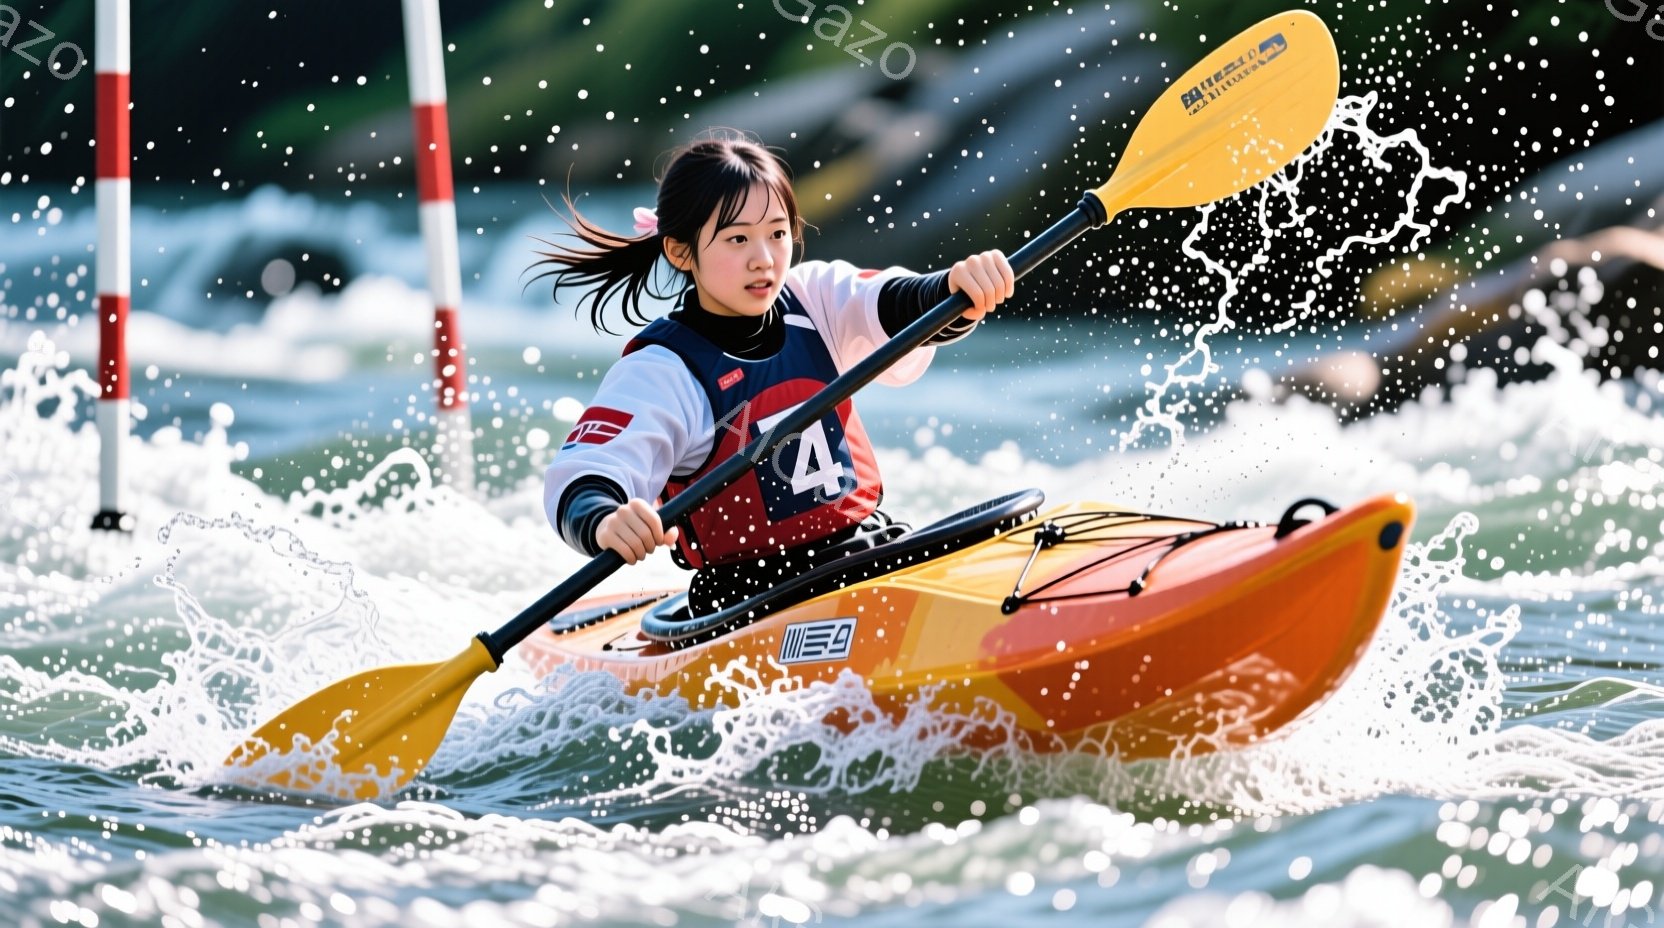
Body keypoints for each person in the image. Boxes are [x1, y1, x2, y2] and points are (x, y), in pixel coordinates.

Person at [532, 131, 1015, 616]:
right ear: (681, 252)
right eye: (738, 238)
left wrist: (956, 289)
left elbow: (898, 306)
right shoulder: (663, 370)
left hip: (866, 550)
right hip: (748, 601)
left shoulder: (814, 298)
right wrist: (606, 521)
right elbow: (584, 475)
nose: (764, 258)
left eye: (777, 233)